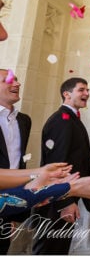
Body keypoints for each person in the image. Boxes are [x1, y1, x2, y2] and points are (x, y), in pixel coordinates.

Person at [32, 77, 90, 255]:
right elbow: (57, 163)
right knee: (49, 249)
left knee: (60, 248)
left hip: (63, 193)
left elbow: (70, 154)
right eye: (81, 90)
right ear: (67, 94)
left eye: (87, 90)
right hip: (55, 199)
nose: (87, 94)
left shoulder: (71, 119)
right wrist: (66, 202)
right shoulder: (62, 120)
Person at [0, 69, 31, 254]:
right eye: (8, 80)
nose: (17, 84)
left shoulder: (24, 121)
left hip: (8, 205)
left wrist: (14, 211)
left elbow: (18, 163)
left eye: (17, 80)